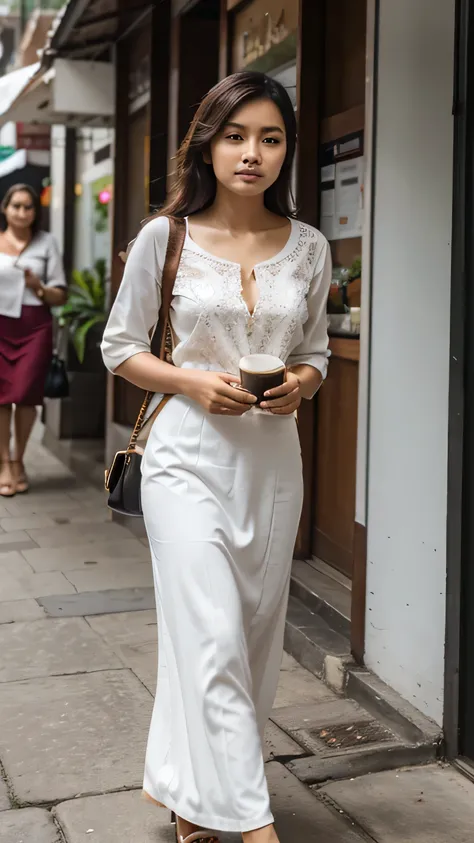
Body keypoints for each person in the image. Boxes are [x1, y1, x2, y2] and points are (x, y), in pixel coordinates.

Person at [101, 71, 332, 843]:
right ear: (208, 142)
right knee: (211, 631)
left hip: (272, 461)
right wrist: (193, 383)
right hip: (183, 456)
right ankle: (251, 820)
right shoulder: (164, 237)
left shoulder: (310, 249)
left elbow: (316, 353)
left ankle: (190, 795)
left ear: (286, 151)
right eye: (236, 135)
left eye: (271, 138)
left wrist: (298, 383)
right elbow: (120, 347)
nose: (252, 153)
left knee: (253, 632)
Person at [0, 184, 67, 497]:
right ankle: (4, 463)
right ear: (5, 208)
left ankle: (18, 458)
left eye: (28, 207)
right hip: (1, 325)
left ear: (35, 212)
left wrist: (37, 286)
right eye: (16, 206)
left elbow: (60, 294)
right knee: (1, 397)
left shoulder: (46, 243)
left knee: (26, 395)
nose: (22, 212)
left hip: (34, 326)